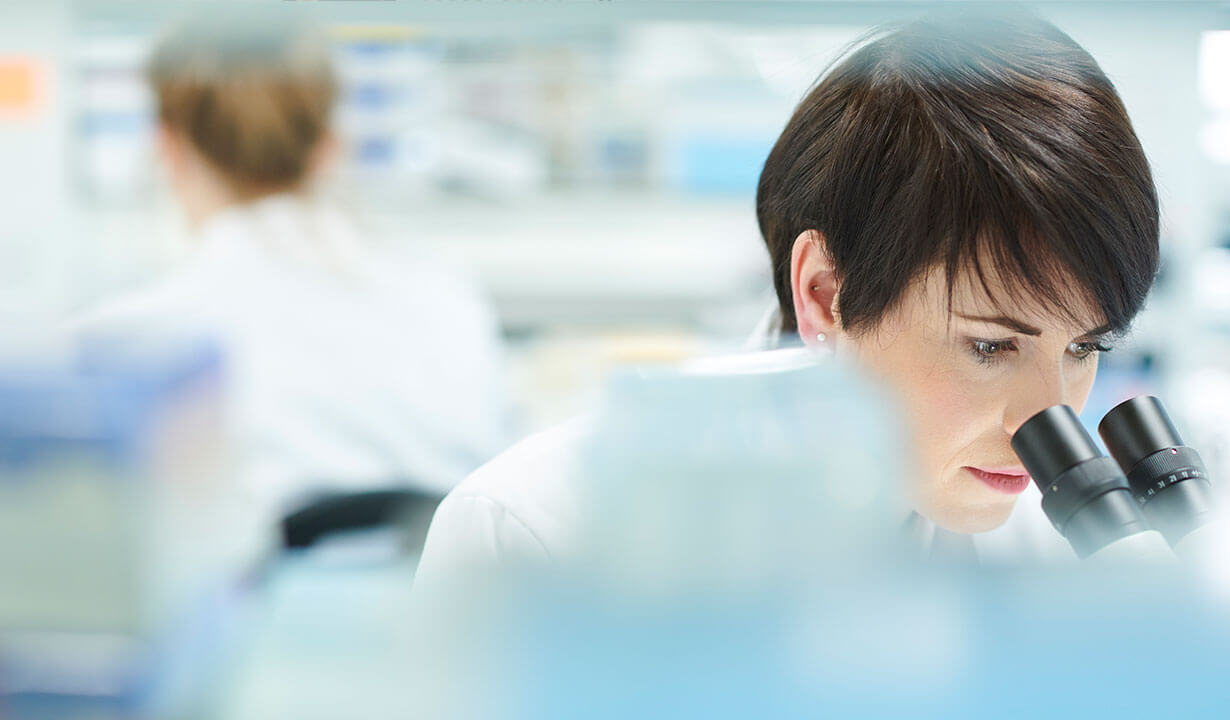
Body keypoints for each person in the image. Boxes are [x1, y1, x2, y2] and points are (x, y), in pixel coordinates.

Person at [415, 9, 1158, 585]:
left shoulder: (1057, 559)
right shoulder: (537, 537)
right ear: (825, 295)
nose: (1049, 419)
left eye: (1085, 347)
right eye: (990, 346)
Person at [75, 17, 507, 538]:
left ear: (168, 147)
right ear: (329, 145)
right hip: (442, 612)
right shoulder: (447, 300)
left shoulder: (130, 343)